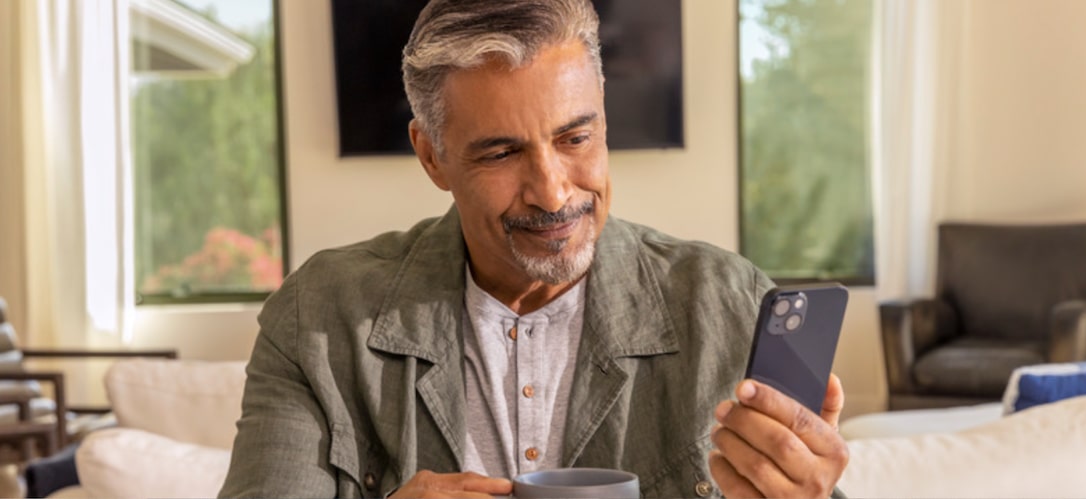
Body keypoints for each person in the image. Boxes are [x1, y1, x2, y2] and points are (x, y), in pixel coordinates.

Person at [219, 1, 849, 497]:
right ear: (431, 155)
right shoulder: (318, 319)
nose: (553, 193)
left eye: (575, 137)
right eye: (501, 152)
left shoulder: (733, 305)